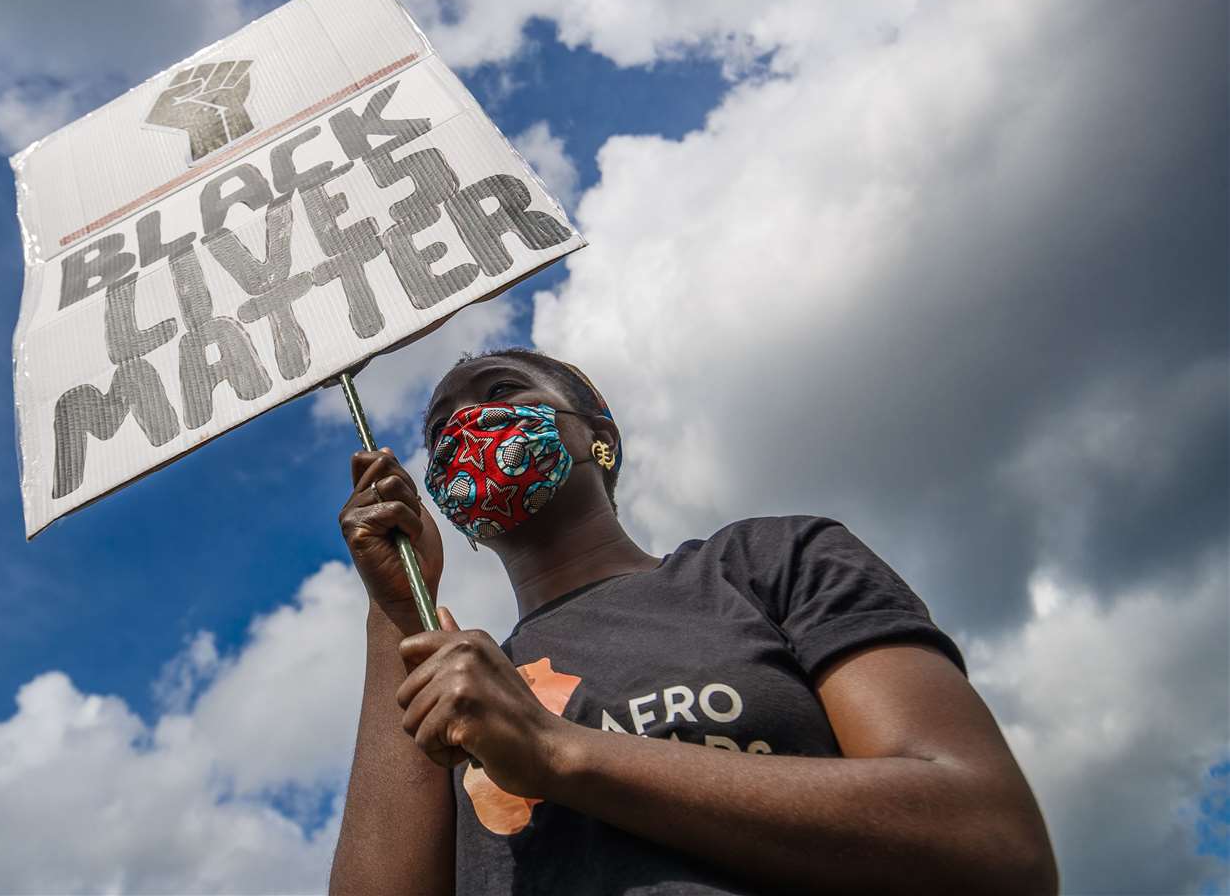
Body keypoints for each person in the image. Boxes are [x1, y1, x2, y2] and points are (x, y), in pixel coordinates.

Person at [328, 347, 1057, 895]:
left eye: (500, 391)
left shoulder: (770, 560)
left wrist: (559, 753)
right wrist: (392, 612)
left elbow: (988, 839)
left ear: (597, 437)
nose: (464, 423)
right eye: (438, 429)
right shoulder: (457, 693)